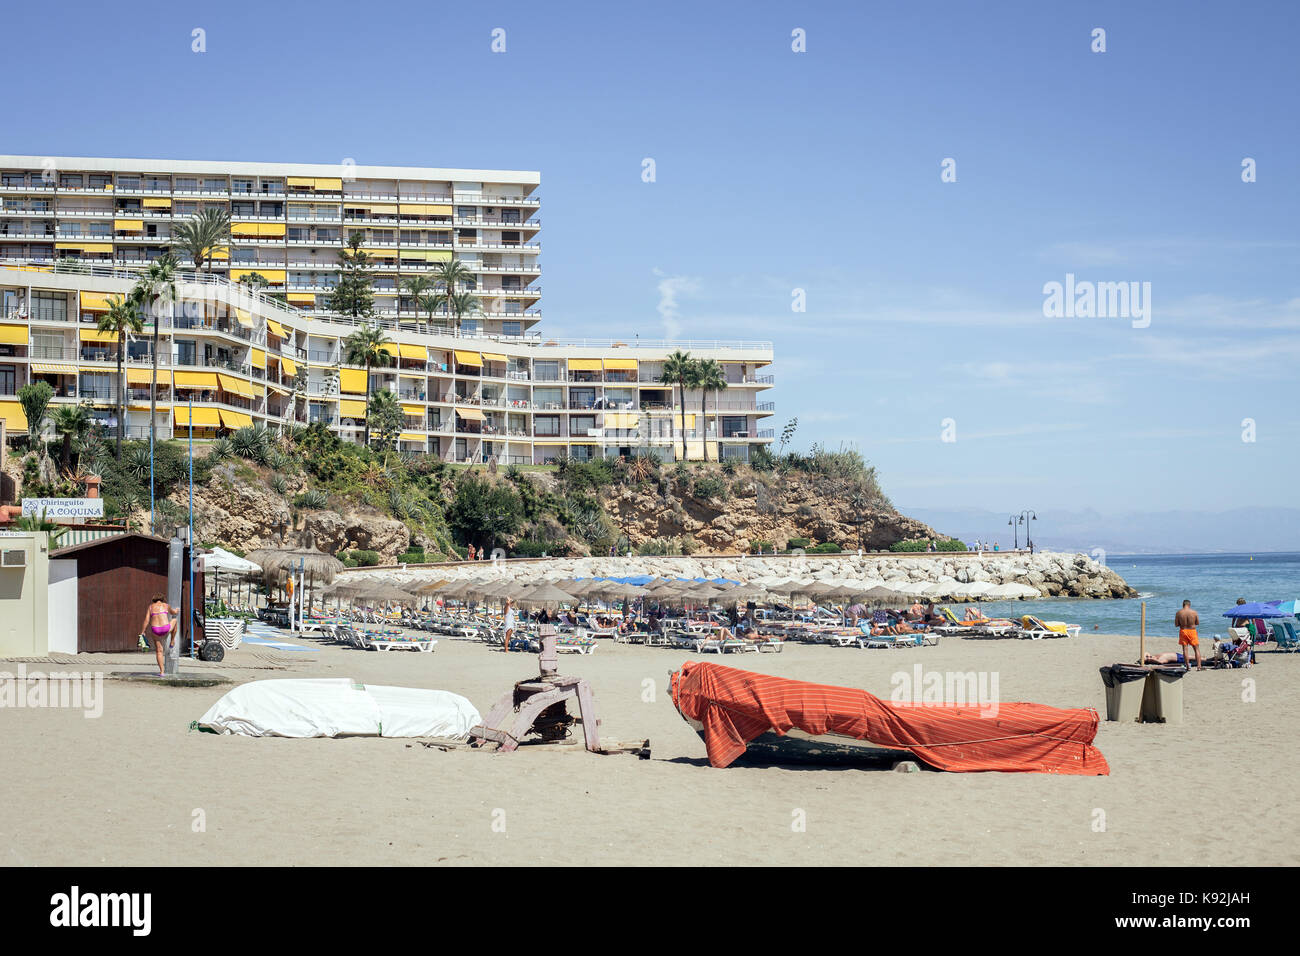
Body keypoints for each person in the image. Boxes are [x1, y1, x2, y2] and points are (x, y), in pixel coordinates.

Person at [140, 595, 179, 678]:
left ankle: (161, 672)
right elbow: (173, 613)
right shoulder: (166, 605)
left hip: (155, 630)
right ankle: (172, 640)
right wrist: (176, 611)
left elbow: (146, 620)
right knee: (175, 620)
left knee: (159, 651)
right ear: (162, 600)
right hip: (165, 628)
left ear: (154, 600)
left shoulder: (150, 607)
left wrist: (142, 632)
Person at [1175, 599, 1203, 671]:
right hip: (1192, 631)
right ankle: (1199, 666)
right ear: (1189, 605)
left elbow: (1176, 624)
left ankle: (1188, 666)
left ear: (1183, 604)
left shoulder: (1178, 613)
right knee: (1196, 649)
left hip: (1183, 631)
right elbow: (1197, 623)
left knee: (1185, 649)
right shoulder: (1194, 612)